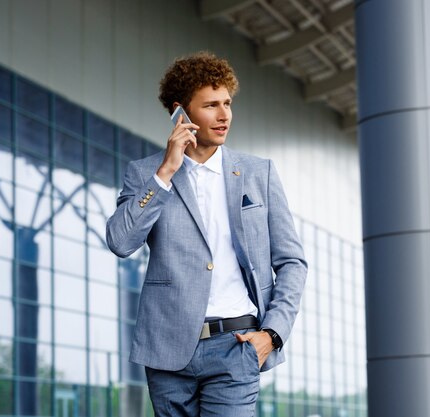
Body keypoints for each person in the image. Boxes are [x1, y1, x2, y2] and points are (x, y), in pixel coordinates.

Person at [106, 51, 307, 417]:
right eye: (211, 105)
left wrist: (273, 334)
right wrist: (165, 173)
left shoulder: (257, 172)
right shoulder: (145, 174)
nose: (224, 115)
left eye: (227, 103)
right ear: (180, 112)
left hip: (237, 345)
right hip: (168, 352)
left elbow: (292, 261)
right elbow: (121, 242)